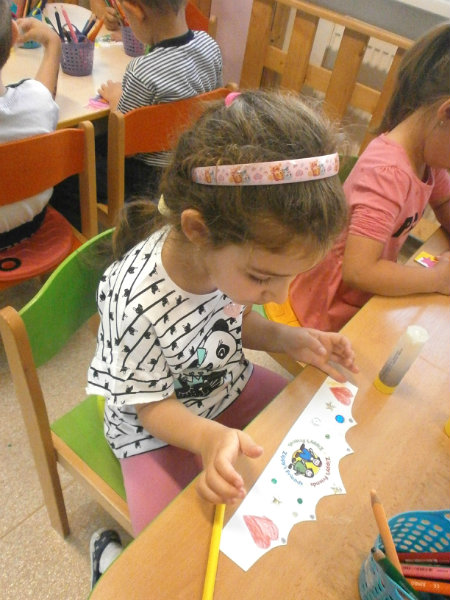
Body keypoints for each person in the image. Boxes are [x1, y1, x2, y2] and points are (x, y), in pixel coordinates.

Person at [87, 90, 359, 585]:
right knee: (171, 565)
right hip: (153, 430)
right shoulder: (134, 297)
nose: (279, 294)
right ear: (197, 230)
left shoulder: (230, 261)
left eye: (289, 278)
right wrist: (208, 438)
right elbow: (150, 407)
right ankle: (107, 562)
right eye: (264, 278)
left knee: (313, 436)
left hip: (225, 386)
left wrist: (289, 338)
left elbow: (233, 323)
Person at [284, 23, 450, 332]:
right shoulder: (388, 173)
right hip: (326, 311)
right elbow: (359, 272)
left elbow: (445, 203)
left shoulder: (430, 160)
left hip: (364, 296)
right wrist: (437, 279)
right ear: (446, 113)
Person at [96, 0, 223, 202]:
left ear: (137, 11)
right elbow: (215, 106)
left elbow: (124, 142)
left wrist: (115, 98)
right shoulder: (210, 46)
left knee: (80, 165)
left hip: (149, 180)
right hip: (190, 165)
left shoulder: (141, 72)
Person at [0, 4, 61, 250]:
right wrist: (53, 44)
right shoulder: (38, 102)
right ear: (14, 35)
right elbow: (44, 93)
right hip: (30, 228)